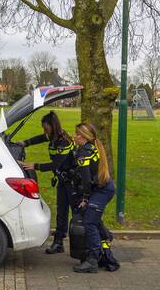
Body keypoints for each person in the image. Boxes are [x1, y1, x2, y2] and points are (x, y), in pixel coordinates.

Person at [19, 111, 77, 254]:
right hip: (63, 180)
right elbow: (40, 138)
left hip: (73, 182)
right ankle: (59, 242)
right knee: (61, 212)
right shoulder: (52, 136)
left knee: (77, 213)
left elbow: (55, 164)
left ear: (52, 126)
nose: (44, 130)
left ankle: (84, 243)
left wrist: (35, 166)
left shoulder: (64, 140)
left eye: (46, 127)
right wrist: (25, 143)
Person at [70, 122, 116, 273]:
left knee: (89, 222)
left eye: (76, 134)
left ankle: (92, 260)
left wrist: (85, 198)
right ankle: (106, 236)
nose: (74, 137)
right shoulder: (91, 147)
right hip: (102, 188)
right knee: (92, 218)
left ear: (83, 137)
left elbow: (85, 180)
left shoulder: (84, 153)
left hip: (102, 190)